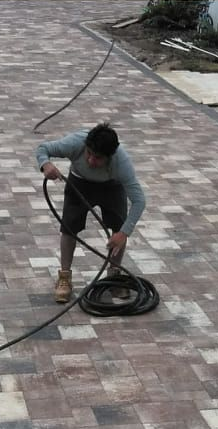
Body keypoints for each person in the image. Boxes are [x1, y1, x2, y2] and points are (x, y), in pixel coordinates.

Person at [36, 122, 146, 303]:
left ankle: (114, 276)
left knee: (119, 227)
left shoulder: (121, 162)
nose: (91, 160)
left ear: (110, 156)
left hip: (111, 186)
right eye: (89, 153)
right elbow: (43, 148)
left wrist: (124, 233)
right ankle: (65, 277)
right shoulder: (75, 142)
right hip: (78, 182)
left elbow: (139, 200)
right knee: (68, 228)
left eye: (98, 158)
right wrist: (45, 164)